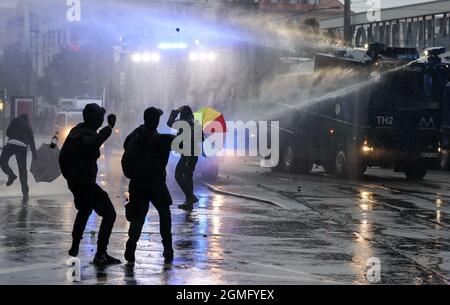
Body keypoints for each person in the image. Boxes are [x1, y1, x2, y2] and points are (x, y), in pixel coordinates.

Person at [59, 103, 121, 265]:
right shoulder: (83, 134)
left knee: (85, 210)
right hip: (84, 183)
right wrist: (109, 128)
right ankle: (100, 254)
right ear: (93, 118)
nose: (101, 119)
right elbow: (92, 143)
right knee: (109, 214)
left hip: (77, 182)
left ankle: (75, 246)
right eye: (99, 117)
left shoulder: (77, 131)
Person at [122, 107, 175, 264]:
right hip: (156, 183)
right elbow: (179, 142)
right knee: (165, 214)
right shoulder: (160, 139)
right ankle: (168, 248)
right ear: (156, 120)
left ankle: (131, 245)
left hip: (137, 184)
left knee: (138, 217)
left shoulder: (135, 136)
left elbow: (126, 145)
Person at [167, 105, 202, 211]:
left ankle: (190, 197)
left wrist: (176, 111)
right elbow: (202, 139)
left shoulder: (184, 123)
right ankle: (189, 203)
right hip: (194, 154)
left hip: (187, 154)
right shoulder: (195, 123)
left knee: (178, 175)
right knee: (188, 176)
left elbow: (169, 123)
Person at [0, 113, 37, 203]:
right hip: (22, 146)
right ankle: (25, 193)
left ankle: (11, 174)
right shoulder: (28, 126)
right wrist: (34, 154)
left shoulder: (15, 120)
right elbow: (32, 141)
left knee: (3, 161)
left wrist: (14, 134)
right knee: (22, 170)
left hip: (11, 144)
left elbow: (8, 132)